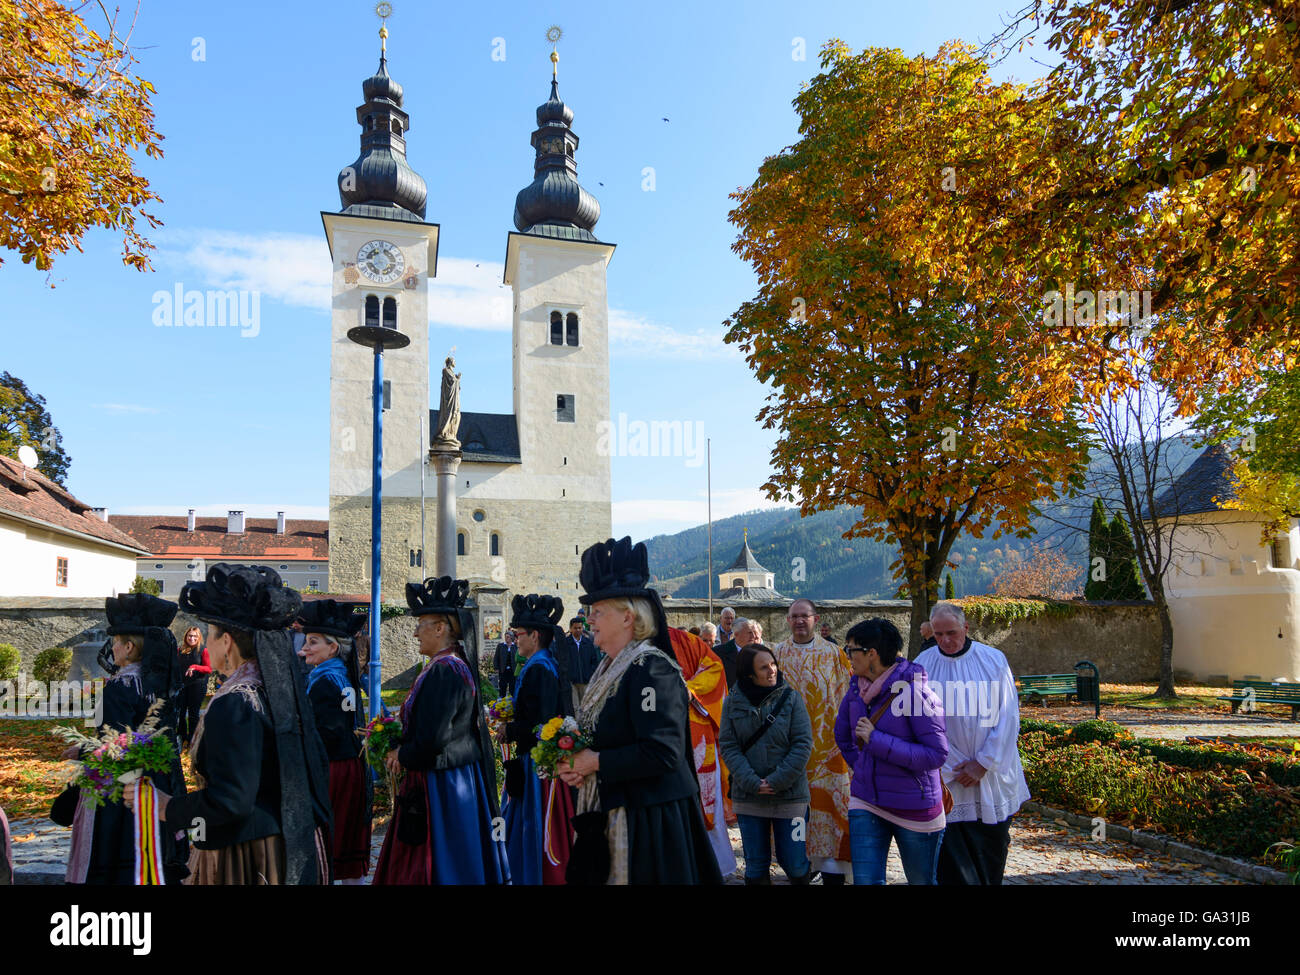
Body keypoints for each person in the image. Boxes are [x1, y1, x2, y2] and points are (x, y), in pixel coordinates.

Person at [145, 564, 334, 885]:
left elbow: (231, 800)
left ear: (227, 642)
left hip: (246, 855)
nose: (207, 643)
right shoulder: (276, 689)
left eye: (210, 635)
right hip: (285, 839)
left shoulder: (236, 702)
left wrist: (169, 808)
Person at [557, 537, 722, 885]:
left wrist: (594, 762)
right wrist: (579, 765)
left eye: (598, 612)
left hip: (649, 822)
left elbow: (662, 751)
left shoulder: (652, 670)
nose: (589, 620)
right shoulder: (609, 667)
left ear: (628, 617)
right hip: (616, 806)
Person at [373, 576, 509, 885]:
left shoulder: (446, 670)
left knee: (440, 863)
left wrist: (400, 753)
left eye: (421, 623)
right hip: (449, 775)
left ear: (440, 628)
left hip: (441, 783)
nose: (415, 631)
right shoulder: (446, 665)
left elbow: (434, 738)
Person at [65, 593, 189, 885]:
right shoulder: (162, 685)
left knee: (120, 857)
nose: (113, 649)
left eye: (116, 642)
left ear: (129, 647)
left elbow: (115, 746)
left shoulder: (120, 687)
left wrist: (85, 751)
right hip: (160, 782)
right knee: (153, 854)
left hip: (125, 789)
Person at [915, 603, 1029, 886]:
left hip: (990, 776)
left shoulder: (993, 660)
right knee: (951, 861)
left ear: (966, 628)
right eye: (938, 634)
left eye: (951, 632)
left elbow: (1007, 716)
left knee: (990, 852)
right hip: (946, 778)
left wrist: (983, 763)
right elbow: (919, 721)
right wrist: (948, 766)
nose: (945, 640)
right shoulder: (924, 665)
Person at [835, 618, 948, 885]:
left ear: (871, 653)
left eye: (850, 649)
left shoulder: (915, 691)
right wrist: (861, 768)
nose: (847, 656)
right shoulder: (855, 689)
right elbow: (842, 736)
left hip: (915, 807)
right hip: (866, 801)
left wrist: (876, 740)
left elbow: (936, 754)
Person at [718, 643, 813, 885]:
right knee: (756, 863)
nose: (772, 670)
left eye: (773, 664)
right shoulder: (732, 703)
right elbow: (729, 745)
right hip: (749, 799)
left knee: (795, 860)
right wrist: (751, 782)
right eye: (764, 667)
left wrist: (777, 780)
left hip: (792, 800)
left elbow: (802, 744)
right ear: (749, 674)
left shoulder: (792, 699)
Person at [773, 597, 851, 883]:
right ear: (787, 620)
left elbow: (846, 700)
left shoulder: (833, 654)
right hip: (789, 750)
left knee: (829, 812)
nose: (799, 621)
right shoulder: (777, 654)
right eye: (794, 616)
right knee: (796, 814)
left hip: (828, 750)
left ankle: (832, 869)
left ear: (815, 619)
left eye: (804, 615)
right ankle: (799, 868)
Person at [500, 593, 575, 885]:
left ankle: (535, 874)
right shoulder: (537, 665)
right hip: (533, 759)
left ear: (535, 635)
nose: (515, 639)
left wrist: (510, 729)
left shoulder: (540, 669)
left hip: (536, 766)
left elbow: (540, 723)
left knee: (534, 825)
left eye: (519, 634)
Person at [298, 599, 372, 885]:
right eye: (306, 641)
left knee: (331, 838)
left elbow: (329, 732)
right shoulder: (340, 676)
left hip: (334, 768)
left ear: (333, 648)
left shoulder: (327, 680)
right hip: (347, 764)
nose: (304, 648)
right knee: (344, 835)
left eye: (313, 642)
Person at [667, 626, 736, 877]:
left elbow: (714, 668)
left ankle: (718, 865)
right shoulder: (625, 642)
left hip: (694, 729)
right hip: (656, 737)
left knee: (706, 799)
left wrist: (690, 689)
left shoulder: (683, 640)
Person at [176, 625, 211, 748]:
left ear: (199, 637)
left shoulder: (203, 650)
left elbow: (208, 668)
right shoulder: (180, 650)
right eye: (190, 635)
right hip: (183, 685)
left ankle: (193, 741)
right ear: (186, 636)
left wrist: (195, 667)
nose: (192, 638)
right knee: (180, 713)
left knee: (193, 714)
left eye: (195, 636)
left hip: (197, 685)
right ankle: (182, 738)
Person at [559, 616, 601, 702]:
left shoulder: (588, 643)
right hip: (571, 682)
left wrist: (590, 673)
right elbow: (561, 661)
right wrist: (566, 675)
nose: (578, 630)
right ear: (570, 628)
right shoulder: (566, 643)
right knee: (574, 707)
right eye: (575, 628)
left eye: (580, 628)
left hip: (586, 680)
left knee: (585, 704)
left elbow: (594, 660)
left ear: (582, 628)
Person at [713, 616, 756, 690]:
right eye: (749, 633)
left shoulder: (759, 652)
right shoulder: (718, 653)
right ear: (736, 634)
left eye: (754, 632)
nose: (753, 636)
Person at [494, 628, 517, 697]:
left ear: (511, 638)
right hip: (503, 670)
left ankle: (512, 703)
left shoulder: (515, 647)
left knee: (512, 687)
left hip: (513, 670)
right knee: (502, 687)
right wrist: (496, 667)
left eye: (508, 637)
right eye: (505, 637)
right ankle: (501, 702)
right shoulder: (500, 646)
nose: (506, 638)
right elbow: (496, 657)